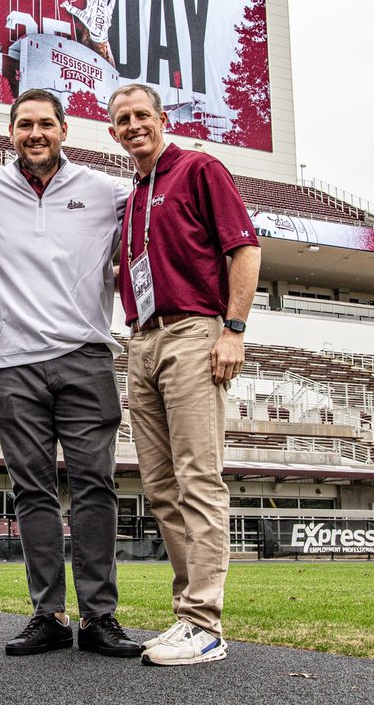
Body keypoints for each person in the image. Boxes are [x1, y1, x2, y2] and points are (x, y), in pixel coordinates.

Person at [0, 89, 142, 658]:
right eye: (24, 124)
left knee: (95, 489)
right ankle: (49, 615)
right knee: (31, 490)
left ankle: (100, 618)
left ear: (64, 130)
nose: (35, 133)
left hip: (85, 356)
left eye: (46, 124)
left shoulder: (106, 192)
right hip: (11, 361)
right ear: (10, 132)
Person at [107, 83, 261, 666]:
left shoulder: (198, 168)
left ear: (161, 118)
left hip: (194, 331)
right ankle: (186, 615)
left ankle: (206, 623)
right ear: (114, 131)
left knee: (199, 477)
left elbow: (244, 250)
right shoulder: (132, 196)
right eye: (123, 119)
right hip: (142, 338)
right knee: (161, 486)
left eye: (142, 115)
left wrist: (233, 329)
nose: (134, 125)